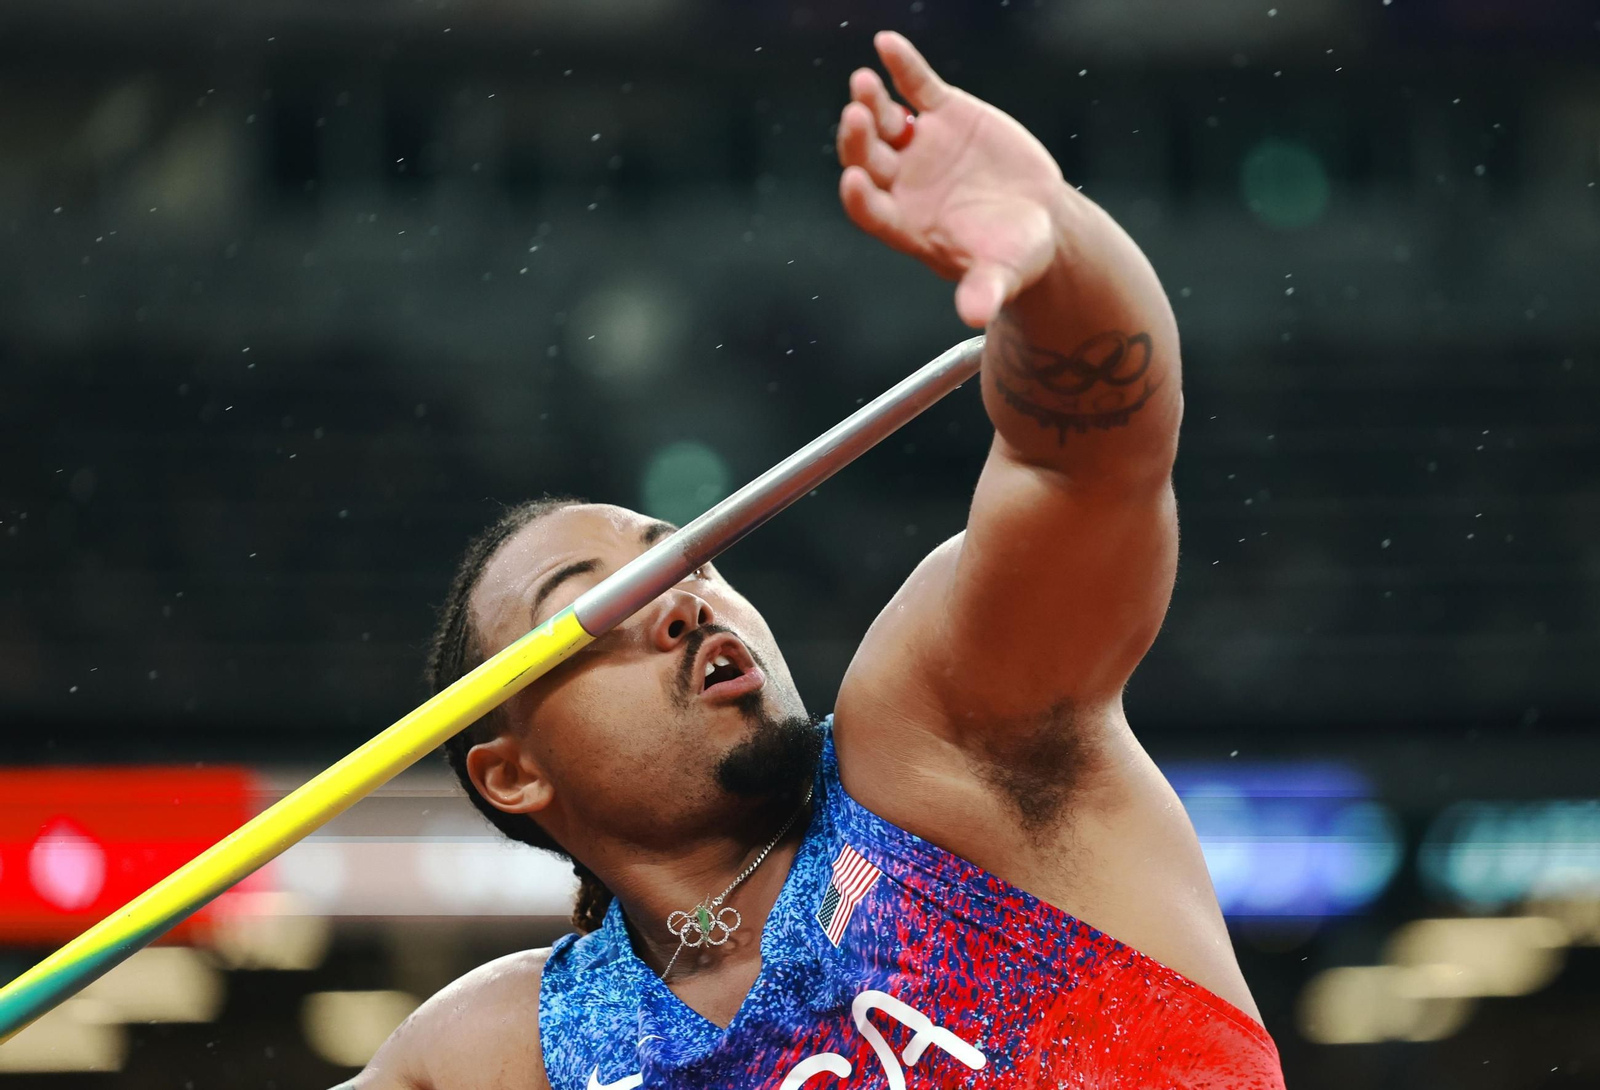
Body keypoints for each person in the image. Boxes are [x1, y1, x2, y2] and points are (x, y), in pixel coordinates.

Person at [347, 30, 1285, 1090]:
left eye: (685, 558)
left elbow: (1091, 470)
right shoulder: (504, 1050)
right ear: (513, 772)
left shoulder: (945, 745)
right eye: (598, 600)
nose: (683, 600)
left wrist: (1059, 250)